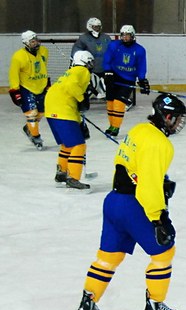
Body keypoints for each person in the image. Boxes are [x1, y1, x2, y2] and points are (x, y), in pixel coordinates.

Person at [74, 93, 185, 310]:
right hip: (135, 206)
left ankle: (88, 300)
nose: (178, 124)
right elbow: (149, 185)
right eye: (176, 118)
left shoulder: (139, 130)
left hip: (113, 202)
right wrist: (159, 218)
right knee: (164, 253)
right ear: (166, 117)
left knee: (109, 257)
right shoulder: (160, 143)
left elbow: (125, 164)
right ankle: (155, 307)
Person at [45, 51, 94, 191]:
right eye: (90, 62)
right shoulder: (82, 71)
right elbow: (72, 86)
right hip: (63, 110)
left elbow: (67, 91)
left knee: (68, 144)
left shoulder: (71, 71)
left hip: (52, 109)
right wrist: (82, 99)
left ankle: (61, 173)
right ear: (86, 61)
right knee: (79, 145)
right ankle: (73, 178)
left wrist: (79, 123)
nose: (91, 65)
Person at [103, 24, 150, 137]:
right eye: (123, 35)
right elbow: (107, 59)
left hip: (128, 80)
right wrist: (108, 72)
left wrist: (142, 79)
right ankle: (111, 125)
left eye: (127, 35)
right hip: (114, 76)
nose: (125, 38)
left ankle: (116, 127)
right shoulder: (114, 45)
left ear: (132, 36)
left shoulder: (139, 50)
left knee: (119, 103)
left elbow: (141, 66)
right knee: (110, 102)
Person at [8, 30, 50, 151]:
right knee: (32, 113)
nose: (36, 43)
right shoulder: (18, 57)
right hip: (26, 88)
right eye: (32, 41)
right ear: (26, 43)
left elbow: (43, 68)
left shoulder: (44, 51)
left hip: (40, 86)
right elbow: (13, 74)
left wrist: (47, 83)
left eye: (36, 40)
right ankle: (35, 136)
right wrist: (15, 92)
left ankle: (28, 128)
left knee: (42, 112)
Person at [71, 17, 112, 99]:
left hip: (104, 69)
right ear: (89, 26)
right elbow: (76, 52)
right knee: (88, 89)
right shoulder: (83, 38)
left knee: (108, 88)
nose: (97, 29)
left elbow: (111, 51)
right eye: (95, 27)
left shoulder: (106, 38)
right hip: (90, 70)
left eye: (99, 27)